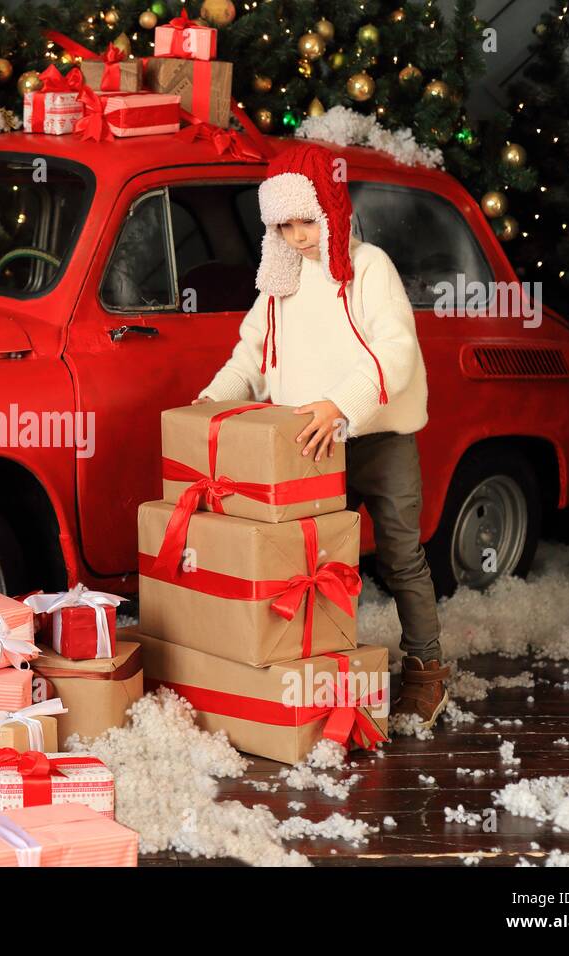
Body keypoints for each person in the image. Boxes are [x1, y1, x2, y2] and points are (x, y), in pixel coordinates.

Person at [195, 141, 449, 728]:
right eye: (283, 225)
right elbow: (251, 356)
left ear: (332, 210)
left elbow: (396, 352)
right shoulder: (279, 285)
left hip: (377, 440)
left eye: (307, 220)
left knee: (401, 555)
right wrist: (213, 401)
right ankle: (327, 668)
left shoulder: (370, 268)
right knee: (317, 565)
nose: (299, 236)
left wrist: (342, 404)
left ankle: (426, 668)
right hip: (309, 449)